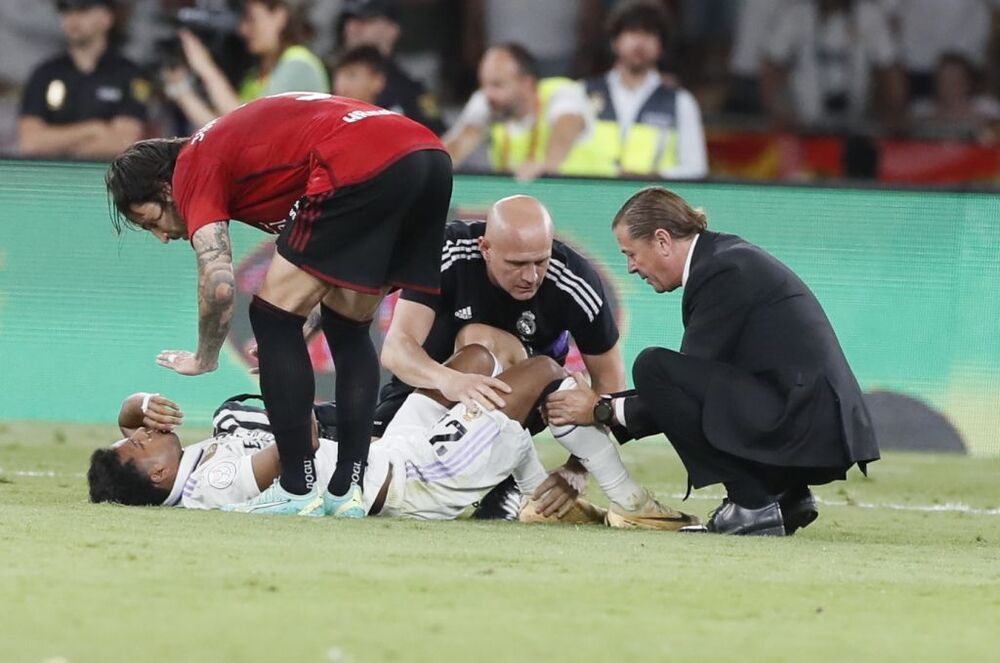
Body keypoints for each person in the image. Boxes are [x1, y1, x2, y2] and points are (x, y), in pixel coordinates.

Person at [104, 92, 451, 519]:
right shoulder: (229, 150)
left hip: (359, 161)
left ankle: (297, 487)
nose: (160, 236)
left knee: (270, 318)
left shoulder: (193, 166)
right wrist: (305, 318)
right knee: (347, 323)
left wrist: (206, 356)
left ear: (163, 187)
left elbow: (219, 285)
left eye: (151, 220)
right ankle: (347, 491)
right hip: (427, 157)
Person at [545, 186, 880, 536]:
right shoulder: (722, 258)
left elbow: (678, 392)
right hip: (811, 417)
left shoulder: (720, 270)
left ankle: (751, 503)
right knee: (665, 374)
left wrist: (601, 410)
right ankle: (782, 495)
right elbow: (701, 383)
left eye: (631, 253)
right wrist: (606, 406)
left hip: (806, 421)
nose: (631, 268)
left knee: (652, 367)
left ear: (662, 240)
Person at [88, 345, 692, 528]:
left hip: (383, 456)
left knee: (474, 362)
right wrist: (286, 374)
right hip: (405, 485)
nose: (142, 433)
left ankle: (545, 500)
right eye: (140, 444)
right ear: (159, 476)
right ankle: (625, 501)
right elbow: (290, 449)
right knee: (542, 376)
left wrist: (138, 404)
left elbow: (123, 427)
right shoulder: (212, 481)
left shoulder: (195, 451)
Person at [378, 195, 627, 517]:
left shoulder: (573, 280)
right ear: (485, 248)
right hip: (430, 388)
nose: (531, 277)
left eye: (541, 261)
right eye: (517, 264)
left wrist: (578, 467)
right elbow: (397, 348)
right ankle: (502, 477)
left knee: (477, 340)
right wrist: (452, 381)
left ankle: (503, 474)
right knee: (364, 473)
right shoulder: (447, 253)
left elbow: (610, 379)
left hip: (524, 403)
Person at [578, 0, 708, 179]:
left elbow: (696, 168)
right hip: (593, 197)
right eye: (632, 32)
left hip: (654, 204)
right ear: (615, 41)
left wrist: (653, 176)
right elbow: (567, 158)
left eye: (649, 34)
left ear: (661, 46)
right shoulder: (582, 92)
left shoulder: (680, 101)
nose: (640, 43)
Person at [162, 0, 329, 130]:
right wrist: (182, 92)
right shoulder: (256, 75)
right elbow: (224, 131)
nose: (243, 30)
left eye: (251, 19)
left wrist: (205, 67)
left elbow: (246, 125)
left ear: (279, 16)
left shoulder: (299, 64)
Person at [444, 43, 598, 182]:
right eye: (483, 84)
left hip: (582, 196)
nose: (488, 94)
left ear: (527, 83)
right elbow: (458, 144)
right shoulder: (489, 102)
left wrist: (548, 165)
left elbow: (567, 124)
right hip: (524, 202)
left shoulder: (561, 91)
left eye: (497, 85)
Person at [17, 0, 149, 159]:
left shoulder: (129, 74)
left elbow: (125, 142)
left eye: (83, 9)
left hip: (107, 177)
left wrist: (57, 145)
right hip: (51, 176)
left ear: (107, 18)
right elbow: (30, 142)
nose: (73, 18)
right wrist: (94, 129)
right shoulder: (45, 73)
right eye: (66, 10)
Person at [337, 0, 445, 134]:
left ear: (391, 30)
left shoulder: (409, 93)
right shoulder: (325, 76)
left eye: (365, 19)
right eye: (349, 20)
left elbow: (437, 144)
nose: (353, 27)